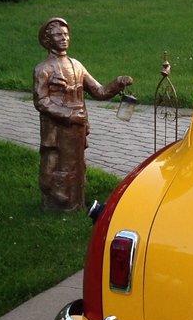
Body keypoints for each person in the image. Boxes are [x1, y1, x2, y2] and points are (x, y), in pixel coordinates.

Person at [33, 17, 133, 211]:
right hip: (57, 128)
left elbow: (99, 91)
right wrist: (68, 115)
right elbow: (41, 101)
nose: (63, 38)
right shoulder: (43, 69)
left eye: (66, 34)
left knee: (77, 164)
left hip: (78, 127)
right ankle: (57, 201)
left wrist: (118, 82)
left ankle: (75, 201)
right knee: (56, 162)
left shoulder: (77, 65)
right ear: (48, 39)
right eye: (58, 34)